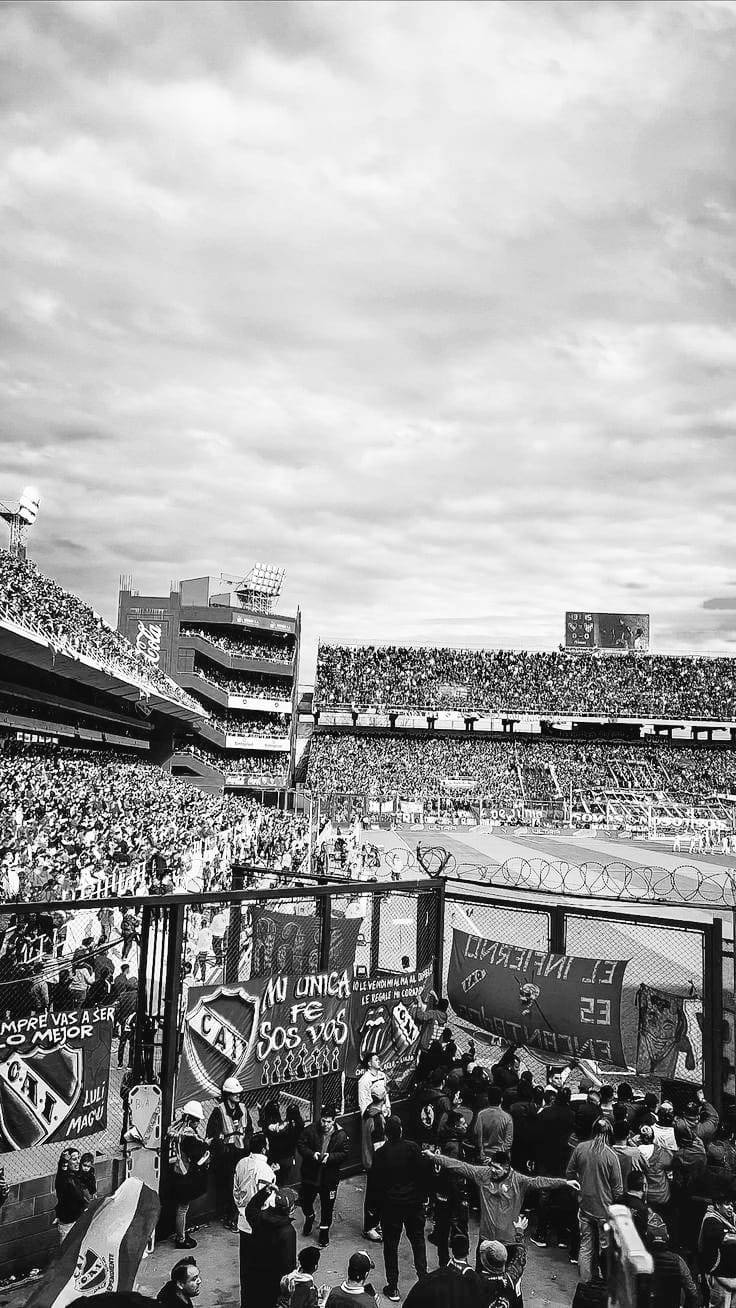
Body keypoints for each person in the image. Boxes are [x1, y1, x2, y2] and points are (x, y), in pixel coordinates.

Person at [428, 1144, 578, 1260]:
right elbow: (459, 1165)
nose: (493, 1171)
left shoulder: (518, 1181)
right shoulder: (482, 1174)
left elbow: (540, 1181)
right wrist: (434, 1157)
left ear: (506, 1169)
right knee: (482, 1280)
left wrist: (564, 1182)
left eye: (497, 1169)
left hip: (507, 1242)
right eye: (492, 1166)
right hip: (485, 1239)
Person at [370, 1114, 429, 1302]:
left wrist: (374, 1208)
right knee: (418, 1242)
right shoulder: (413, 1148)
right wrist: (423, 1198)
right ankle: (423, 1280)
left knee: (391, 1245)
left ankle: (393, 1287)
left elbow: (375, 1184)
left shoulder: (381, 1154)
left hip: (391, 1207)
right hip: (413, 1205)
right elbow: (422, 1175)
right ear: (401, 1130)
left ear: (386, 1134)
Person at [566, 1119, 623, 1282]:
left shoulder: (581, 1148)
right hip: (605, 1211)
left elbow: (570, 1173)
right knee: (605, 1249)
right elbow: (618, 1190)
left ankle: (585, 1283)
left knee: (585, 1247)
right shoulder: (611, 1155)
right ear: (609, 1133)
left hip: (585, 1207)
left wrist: (581, 1186)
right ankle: (604, 1285)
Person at [234, 1131, 276, 1308]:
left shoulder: (241, 1163)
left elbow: (237, 1189)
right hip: (261, 1224)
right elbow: (268, 1201)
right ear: (265, 1148)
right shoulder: (265, 1170)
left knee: (246, 1269)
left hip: (243, 1221)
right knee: (261, 1270)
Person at [298, 1105, 350, 1248]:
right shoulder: (310, 1130)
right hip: (310, 1175)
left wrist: (330, 1157)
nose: (325, 1125)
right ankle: (309, 1216)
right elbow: (301, 1145)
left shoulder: (341, 1135)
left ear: (334, 1121)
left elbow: (345, 1154)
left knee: (327, 1207)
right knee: (306, 1201)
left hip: (329, 1178)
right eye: (323, 1121)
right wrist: (311, 1154)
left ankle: (324, 1233)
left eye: (328, 1122)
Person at [244, 1184, 298, 1308]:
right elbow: (288, 1264)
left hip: (255, 1270)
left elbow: (250, 1209)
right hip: (273, 1280)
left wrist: (264, 1192)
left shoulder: (261, 1217)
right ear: (289, 1209)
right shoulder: (288, 1232)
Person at [166, 1101, 210, 1250]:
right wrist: (206, 1145)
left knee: (180, 1207)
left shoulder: (177, 1129)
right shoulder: (188, 1135)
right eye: (196, 1120)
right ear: (190, 1119)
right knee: (183, 1208)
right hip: (184, 1174)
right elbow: (198, 1156)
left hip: (176, 1171)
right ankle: (181, 1238)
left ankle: (181, 1234)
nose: (198, 1123)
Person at [207, 1076, 249, 1227]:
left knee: (242, 1184)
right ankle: (231, 1216)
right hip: (226, 1156)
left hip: (242, 1153)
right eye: (234, 1092)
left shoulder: (243, 1108)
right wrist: (223, 1151)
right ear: (227, 1094)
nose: (238, 1095)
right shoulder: (219, 1111)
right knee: (229, 1187)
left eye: (238, 1092)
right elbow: (213, 1135)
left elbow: (248, 1130)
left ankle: (236, 1215)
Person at [477, 1226, 528, 1308]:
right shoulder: (511, 1277)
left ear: (484, 1261)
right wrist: (519, 1232)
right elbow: (520, 1257)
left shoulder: (475, 1281)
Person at [362, 1083, 388, 1240]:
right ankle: (370, 1227)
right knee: (374, 1196)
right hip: (375, 1163)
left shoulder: (368, 1112)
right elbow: (379, 1147)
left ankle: (373, 1223)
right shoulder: (377, 1119)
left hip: (367, 1159)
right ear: (383, 1097)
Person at [55, 1145, 89, 1242]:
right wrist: (64, 1161)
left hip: (78, 1219)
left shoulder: (76, 1175)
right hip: (68, 1222)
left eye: (79, 1158)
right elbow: (62, 1171)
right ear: (67, 1163)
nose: (78, 1161)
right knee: (66, 1251)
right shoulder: (63, 1180)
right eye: (74, 1159)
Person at [475, 1087, 513, 1158]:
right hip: (501, 1157)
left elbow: (478, 1135)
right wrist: (497, 1157)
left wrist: (481, 1151)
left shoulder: (481, 1115)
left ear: (488, 1099)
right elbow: (508, 1142)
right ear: (501, 1099)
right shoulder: (507, 1117)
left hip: (484, 1155)